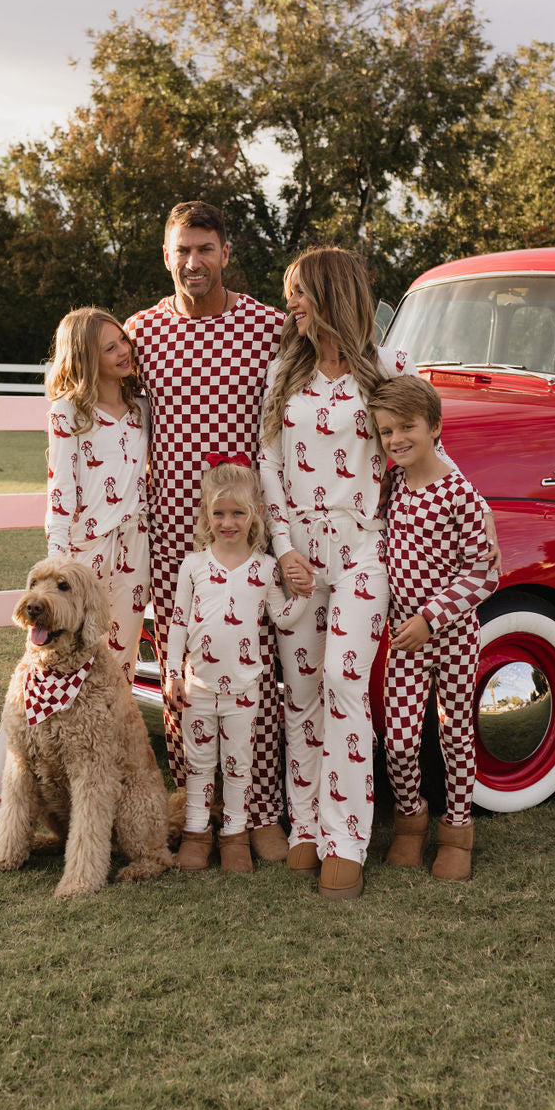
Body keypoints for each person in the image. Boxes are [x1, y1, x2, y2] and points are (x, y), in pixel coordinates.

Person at [0, 308, 150, 866]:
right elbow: (61, 497)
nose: (123, 353)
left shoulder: (141, 412)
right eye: (110, 348)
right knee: (33, 697)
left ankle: (101, 826)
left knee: (110, 687)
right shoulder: (69, 415)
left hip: (132, 567)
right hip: (79, 568)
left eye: (123, 342)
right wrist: (60, 575)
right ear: (85, 358)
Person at [124, 203, 289, 861]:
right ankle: (198, 810)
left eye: (205, 248)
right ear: (166, 255)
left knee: (260, 668)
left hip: (247, 535)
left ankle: (262, 811)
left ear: (226, 252)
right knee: (180, 674)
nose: (193, 262)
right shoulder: (141, 332)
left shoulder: (265, 327)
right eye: (181, 250)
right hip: (174, 535)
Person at [258, 246, 420, 900]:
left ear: (330, 296)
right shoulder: (284, 372)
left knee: (343, 681)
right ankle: (308, 829)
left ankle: (347, 838)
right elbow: (266, 460)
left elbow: (423, 450)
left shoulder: (388, 370)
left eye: (299, 292)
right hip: (298, 557)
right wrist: (285, 548)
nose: (290, 304)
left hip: (362, 550)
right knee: (301, 695)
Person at [371, 374, 499, 881]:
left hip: (452, 636)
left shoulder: (459, 493)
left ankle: (458, 831)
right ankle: (409, 822)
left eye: (408, 427)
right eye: (386, 431)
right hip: (405, 638)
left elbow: (486, 573)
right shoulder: (392, 484)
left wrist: (431, 617)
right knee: (399, 739)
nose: (397, 438)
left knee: (455, 733)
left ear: (435, 427)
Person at [167, 457, 308, 874]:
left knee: (238, 763)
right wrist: (174, 673)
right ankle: (196, 833)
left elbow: (281, 618)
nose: (228, 522)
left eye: (238, 513)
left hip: (244, 689)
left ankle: (235, 835)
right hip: (199, 686)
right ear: (206, 516)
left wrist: (302, 594)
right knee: (199, 763)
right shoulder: (193, 566)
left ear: (255, 515)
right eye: (219, 513)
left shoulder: (264, 568)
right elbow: (177, 622)